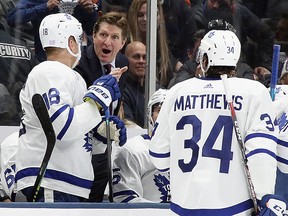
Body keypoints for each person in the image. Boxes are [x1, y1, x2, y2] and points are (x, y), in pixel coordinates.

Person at [149, 29, 285, 215]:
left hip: (182, 209)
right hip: (235, 209)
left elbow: (159, 158)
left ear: (204, 59)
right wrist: (265, 197)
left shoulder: (176, 92)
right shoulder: (253, 91)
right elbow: (260, 152)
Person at [15, 13, 125, 202]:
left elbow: (79, 135)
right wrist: (99, 97)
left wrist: (99, 133)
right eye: (80, 39)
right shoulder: (49, 71)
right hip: (51, 179)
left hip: (69, 183)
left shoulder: (69, 76)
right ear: (71, 42)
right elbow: (63, 128)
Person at [74, 11, 129, 202]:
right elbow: (78, 106)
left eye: (114, 37)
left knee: (95, 203)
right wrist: (101, 85)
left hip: (103, 150)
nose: (107, 42)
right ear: (93, 36)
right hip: (79, 149)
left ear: (122, 43)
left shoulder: (122, 62)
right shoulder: (79, 64)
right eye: (103, 35)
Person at [113, 88, 170, 203]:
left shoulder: (190, 152)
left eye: (172, 111)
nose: (166, 116)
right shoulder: (133, 150)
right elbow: (125, 200)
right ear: (150, 115)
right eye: (160, 111)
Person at [191, 0, 275, 77]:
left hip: (237, 69)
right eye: (213, 1)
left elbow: (266, 35)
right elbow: (185, 52)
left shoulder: (241, 13)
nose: (216, 5)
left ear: (233, 3)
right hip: (202, 68)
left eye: (222, 3)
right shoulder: (195, 17)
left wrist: (264, 65)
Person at [7, 0, 98, 62]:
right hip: (46, 59)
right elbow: (12, 18)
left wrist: (91, 11)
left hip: (76, 60)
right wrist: (45, 6)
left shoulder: (82, 2)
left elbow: (92, 31)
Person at [127, 0, 178, 88]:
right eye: (140, 15)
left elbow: (180, 67)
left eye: (152, 14)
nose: (145, 19)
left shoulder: (161, 46)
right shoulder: (125, 45)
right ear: (133, 17)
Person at [122, 41, 146, 128]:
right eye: (136, 57)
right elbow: (128, 124)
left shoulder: (154, 88)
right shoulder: (122, 89)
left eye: (144, 57)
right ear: (125, 60)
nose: (141, 61)